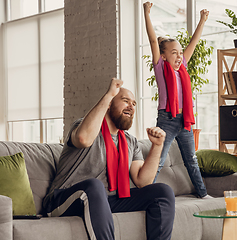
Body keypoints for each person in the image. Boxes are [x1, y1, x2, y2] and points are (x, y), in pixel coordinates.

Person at [43, 78, 175, 240]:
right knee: (94, 185)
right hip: (62, 200)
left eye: (134, 104)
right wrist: (108, 95)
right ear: (109, 104)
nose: (131, 106)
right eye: (125, 101)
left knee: (162, 192)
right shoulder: (84, 126)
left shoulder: (130, 141)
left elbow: (143, 181)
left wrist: (157, 146)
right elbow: (84, 138)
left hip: (105, 201)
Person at [143, 2, 212, 199]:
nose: (179, 56)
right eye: (174, 53)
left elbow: (194, 43)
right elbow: (153, 41)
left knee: (191, 159)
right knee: (160, 160)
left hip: (185, 120)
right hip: (166, 119)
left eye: (180, 53)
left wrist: (202, 21)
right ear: (163, 56)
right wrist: (146, 14)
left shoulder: (182, 69)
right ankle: (145, 195)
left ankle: (203, 194)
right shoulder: (160, 68)